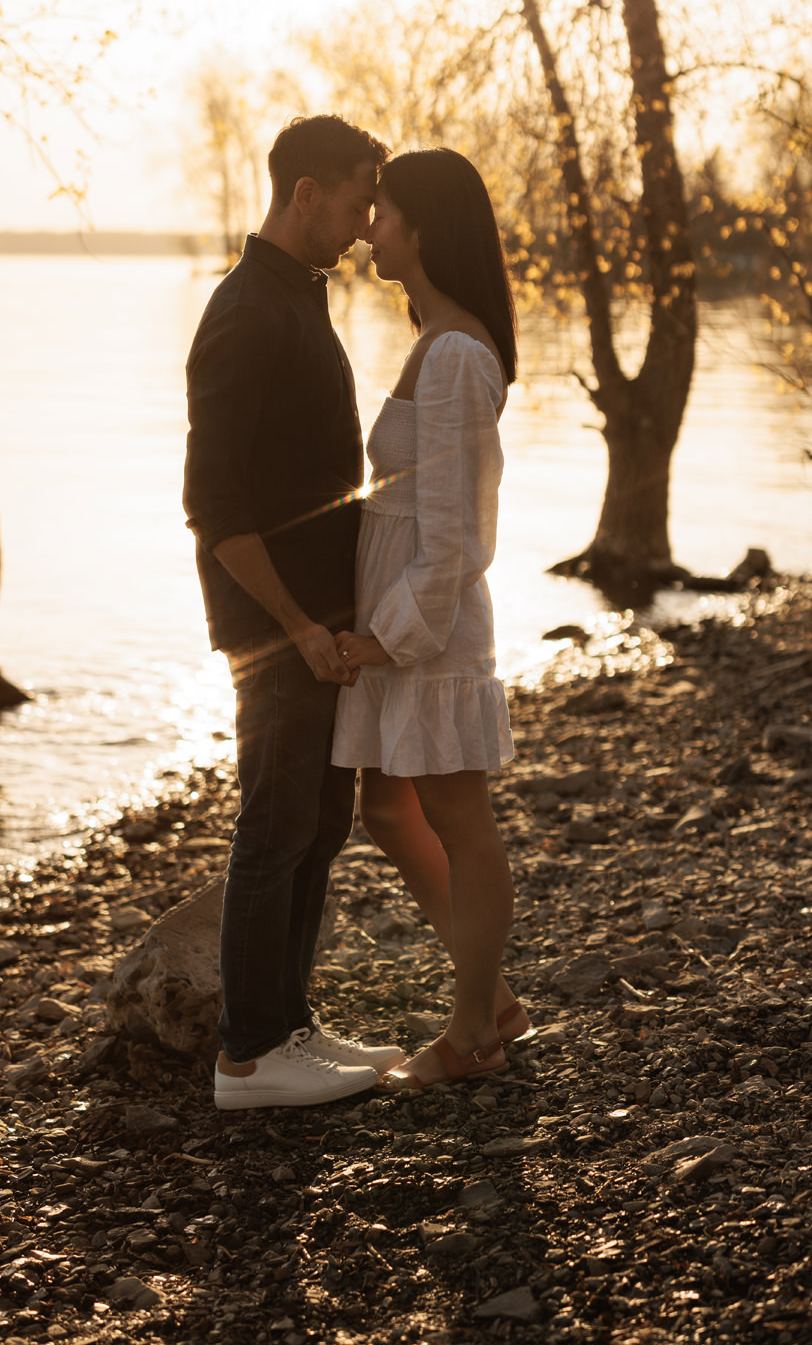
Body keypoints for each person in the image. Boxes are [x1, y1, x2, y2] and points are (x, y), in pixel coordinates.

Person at [183, 113, 405, 1110]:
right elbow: (214, 505)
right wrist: (299, 626)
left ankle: (290, 1024)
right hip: (277, 631)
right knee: (274, 824)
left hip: (322, 622)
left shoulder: (298, 298)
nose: (367, 224)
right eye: (360, 199)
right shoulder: (244, 313)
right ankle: (246, 1054)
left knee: (320, 822)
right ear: (306, 193)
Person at [331, 147, 527, 1090]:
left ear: (425, 228)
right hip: (412, 622)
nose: (371, 225)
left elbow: (456, 535)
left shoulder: (454, 355)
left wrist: (387, 635)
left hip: (431, 626)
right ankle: (489, 995)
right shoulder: (441, 339)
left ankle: (471, 1033)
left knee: (458, 814)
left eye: (386, 211)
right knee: (389, 805)